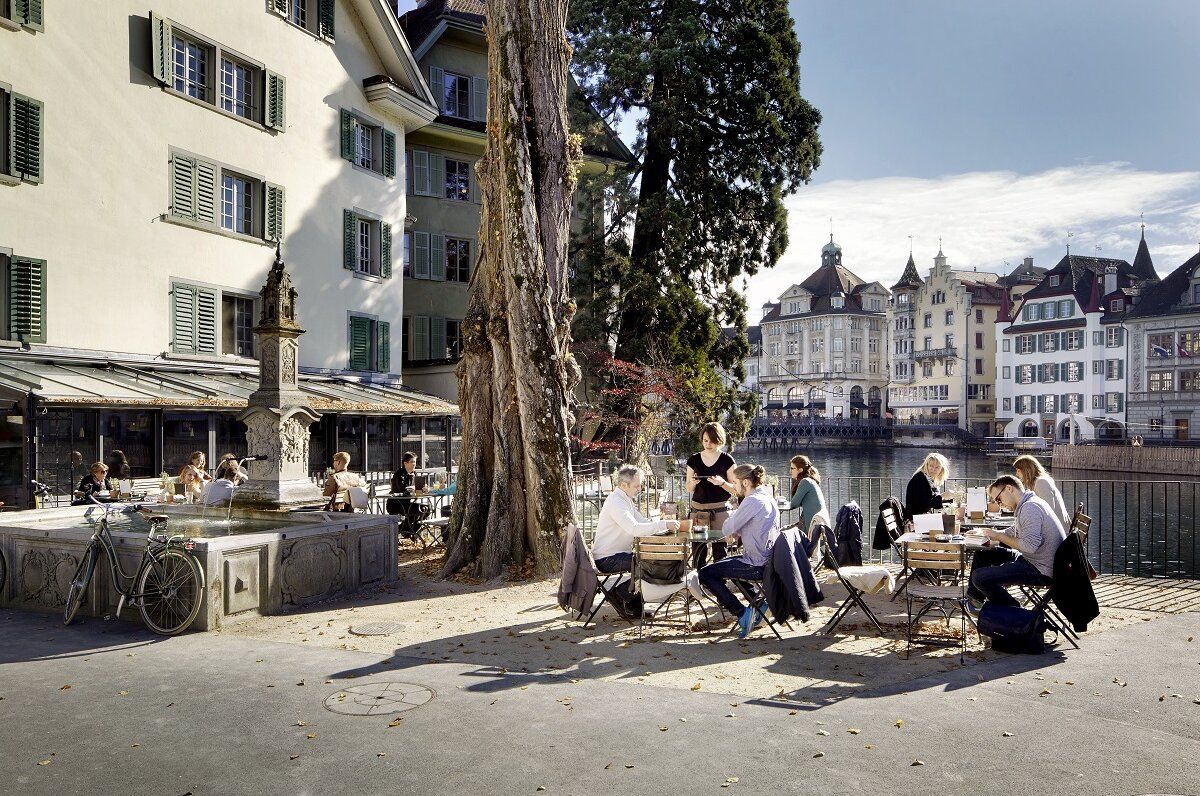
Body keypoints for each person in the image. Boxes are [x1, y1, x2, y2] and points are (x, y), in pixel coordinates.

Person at [698, 464, 780, 638]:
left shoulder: (751, 501)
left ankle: (743, 614)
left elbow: (726, 527)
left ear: (745, 483)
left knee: (705, 573)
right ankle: (759, 605)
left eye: (735, 482)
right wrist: (738, 529)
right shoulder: (766, 497)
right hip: (768, 559)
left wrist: (734, 516)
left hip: (756, 563)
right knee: (725, 565)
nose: (733, 486)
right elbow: (755, 525)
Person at [966, 474, 1067, 612]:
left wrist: (998, 536)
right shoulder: (1030, 502)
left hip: (1040, 570)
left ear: (1009, 488)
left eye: (998, 499)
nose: (999, 505)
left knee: (979, 577)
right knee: (982, 554)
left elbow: (1029, 546)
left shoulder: (1030, 508)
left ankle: (1017, 612)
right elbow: (1016, 531)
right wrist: (989, 533)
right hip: (1035, 561)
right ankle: (975, 601)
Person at [593, 464, 680, 620]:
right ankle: (620, 594)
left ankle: (631, 603)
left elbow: (643, 522)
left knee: (651, 561)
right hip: (608, 559)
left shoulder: (625, 499)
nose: (640, 489)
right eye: (637, 485)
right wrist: (663, 525)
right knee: (650, 564)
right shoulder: (616, 502)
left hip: (617, 555)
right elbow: (634, 528)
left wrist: (665, 525)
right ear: (623, 485)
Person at [685, 422, 738, 567]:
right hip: (698, 511)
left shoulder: (727, 460)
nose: (708, 444)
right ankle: (699, 582)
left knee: (720, 552)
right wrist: (694, 482)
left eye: (712, 441)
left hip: (720, 511)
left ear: (719, 440)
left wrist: (721, 483)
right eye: (705, 440)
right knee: (698, 552)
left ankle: (719, 585)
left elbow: (736, 489)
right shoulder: (694, 459)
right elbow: (688, 488)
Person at [1013, 454, 1070, 528]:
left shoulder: (1041, 482)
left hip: (1056, 532)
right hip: (1053, 528)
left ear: (1027, 470)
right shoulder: (1039, 481)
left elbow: (1048, 511)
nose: (1016, 474)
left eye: (1018, 471)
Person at [788, 454, 828, 535]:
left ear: (800, 470)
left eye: (792, 468)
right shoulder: (809, 480)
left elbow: (794, 504)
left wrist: (794, 481)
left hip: (811, 525)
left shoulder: (805, 482)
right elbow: (796, 502)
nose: (790, 471)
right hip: (817, 523)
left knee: (784, 534)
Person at [904, 452, 949, 520]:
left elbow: (935, 504)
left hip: (922, 517)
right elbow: (924, 505)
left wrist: (949, 499)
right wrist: (942, 496)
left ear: (941, 469)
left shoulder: (929, 479)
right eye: (931, 466)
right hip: (915, 519)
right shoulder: (919, 479)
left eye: (937, 467)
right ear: (926, 465)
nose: (933, 469)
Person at [387, 452, 423, 534]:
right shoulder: (399, 474)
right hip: (396, 504)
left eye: (415, 462)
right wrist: (413, 484)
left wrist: (424, 488)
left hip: (408, 503)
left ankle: (407, 530)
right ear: (405, 463)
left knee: (426, 509)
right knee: (420, 510)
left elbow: (418, 488)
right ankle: (404, 530)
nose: (414, 464)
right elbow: (402, 489)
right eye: (412, 462)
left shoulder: (415, 473)